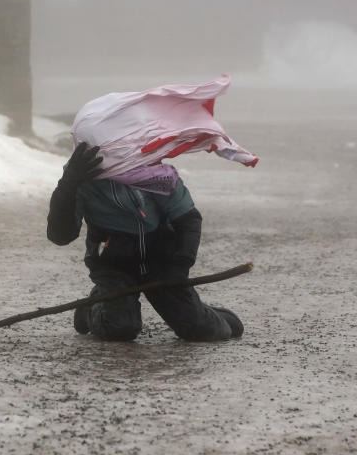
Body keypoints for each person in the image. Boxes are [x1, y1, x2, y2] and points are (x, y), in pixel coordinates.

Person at [46, 142, 243, 342]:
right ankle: (91, 308)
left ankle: (203, 313)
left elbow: (188, 220)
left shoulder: (156, 173)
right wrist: (68, 185)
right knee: (119, 327)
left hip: (162, 263)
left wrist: (180, 266)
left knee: (199, 329)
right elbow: (60, 236)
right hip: (114, 266)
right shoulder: (82, 177)